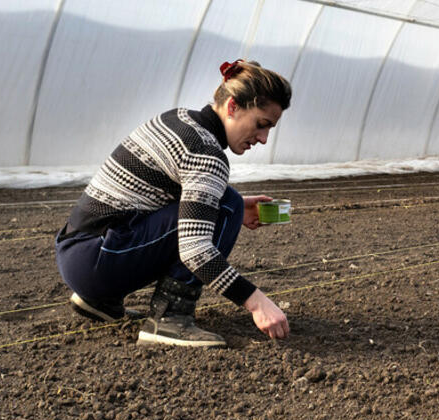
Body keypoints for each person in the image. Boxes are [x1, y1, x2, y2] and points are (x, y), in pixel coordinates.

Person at [54, 60, 292, 347]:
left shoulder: (178, 119)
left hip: (77, 252)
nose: (264, 139)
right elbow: (195, 250)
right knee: (225, 204)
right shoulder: (206, 154)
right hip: (98, 261)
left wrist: (235, 205)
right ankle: (169, 318)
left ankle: (98, 301)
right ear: (233, 107)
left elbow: (160, 190)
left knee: (229, 202)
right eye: (261, 124)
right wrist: (257, 302)